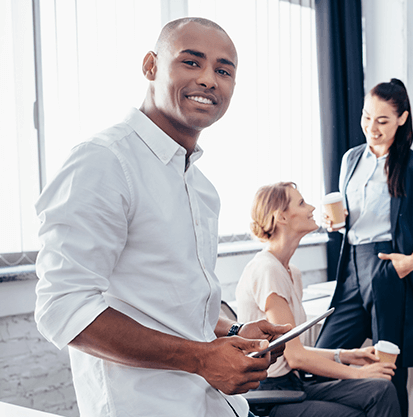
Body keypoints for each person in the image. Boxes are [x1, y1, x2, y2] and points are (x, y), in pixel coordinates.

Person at [34, 17, 291, 417]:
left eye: (223, 70)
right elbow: (62, 307)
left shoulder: (201, 188)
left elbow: (179, 310)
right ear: (150, 66)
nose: (209, 79)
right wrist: (201, 359)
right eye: (191, 62)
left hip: (216, 406)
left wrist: (236, 333)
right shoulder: (104, 161)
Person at [235, 182, 402, 417]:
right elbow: (295, 357)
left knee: (381, 389)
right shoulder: (267, 270)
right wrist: (358, 373)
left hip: (293, 384)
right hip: (271, 394)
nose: (312, 208)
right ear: (281, 217)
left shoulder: (291, 271)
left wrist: (346, 355)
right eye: (302, 203)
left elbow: (294, 349)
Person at [316, 78, 413, 417]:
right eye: (366, 117)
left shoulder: (410, 165)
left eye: (383, 120)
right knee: (320, 357)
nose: (371, 127)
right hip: (351, 264)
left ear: (401, 119)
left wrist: (409, 262)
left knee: (389, 367)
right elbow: (348, 215)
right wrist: (336, 224)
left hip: (388, 266)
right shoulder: (350, 159)